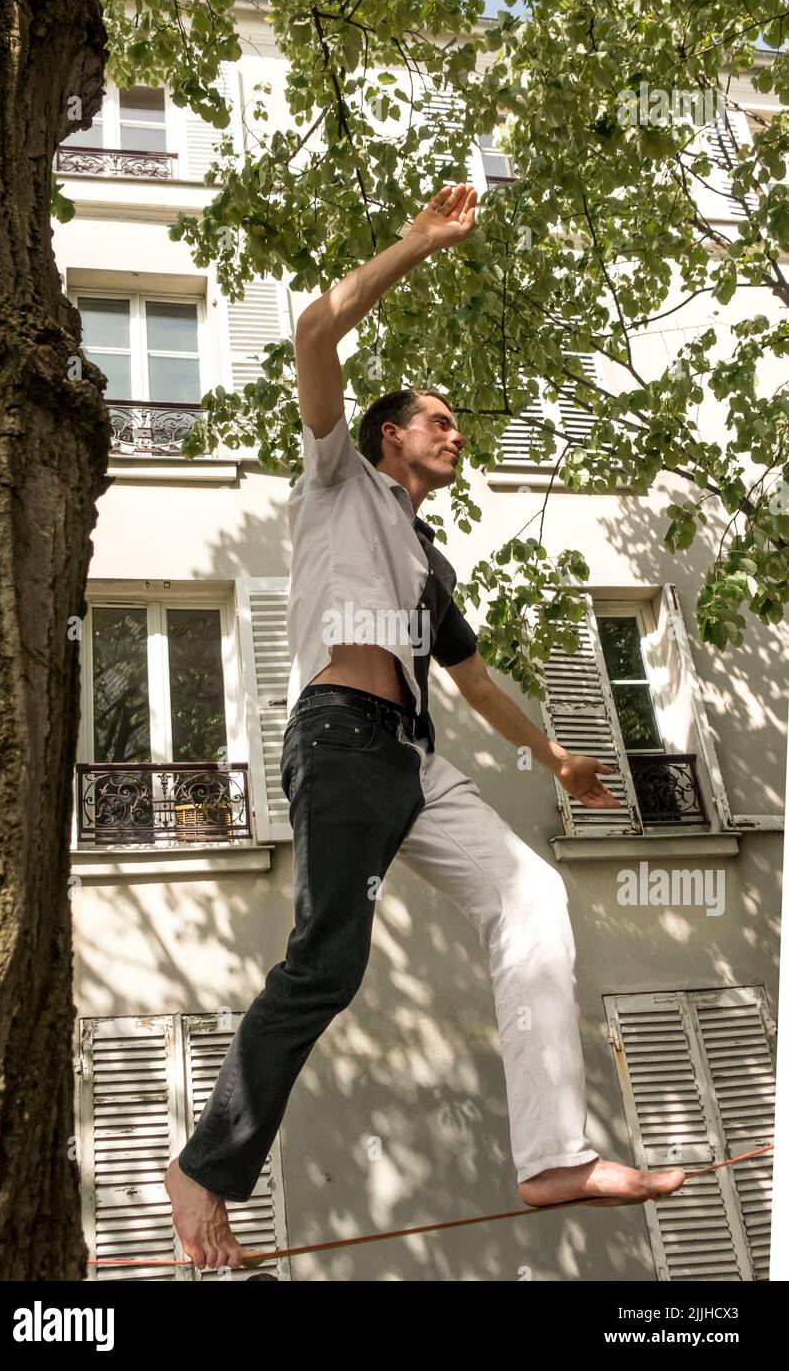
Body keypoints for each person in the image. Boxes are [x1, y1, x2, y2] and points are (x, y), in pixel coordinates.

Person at [164, 183, 686, 1272]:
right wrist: (414, 242)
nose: (454, 434)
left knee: (531, 891)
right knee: (329, 962)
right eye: (437, 419)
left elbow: (478, 685)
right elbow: (313, 330)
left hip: (414, 763)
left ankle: (550, 1155)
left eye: (454, 422)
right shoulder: (333, 481)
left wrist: (553, 754)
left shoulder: (429, 564)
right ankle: (204, 1162)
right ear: (388, 434)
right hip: (338, 742)